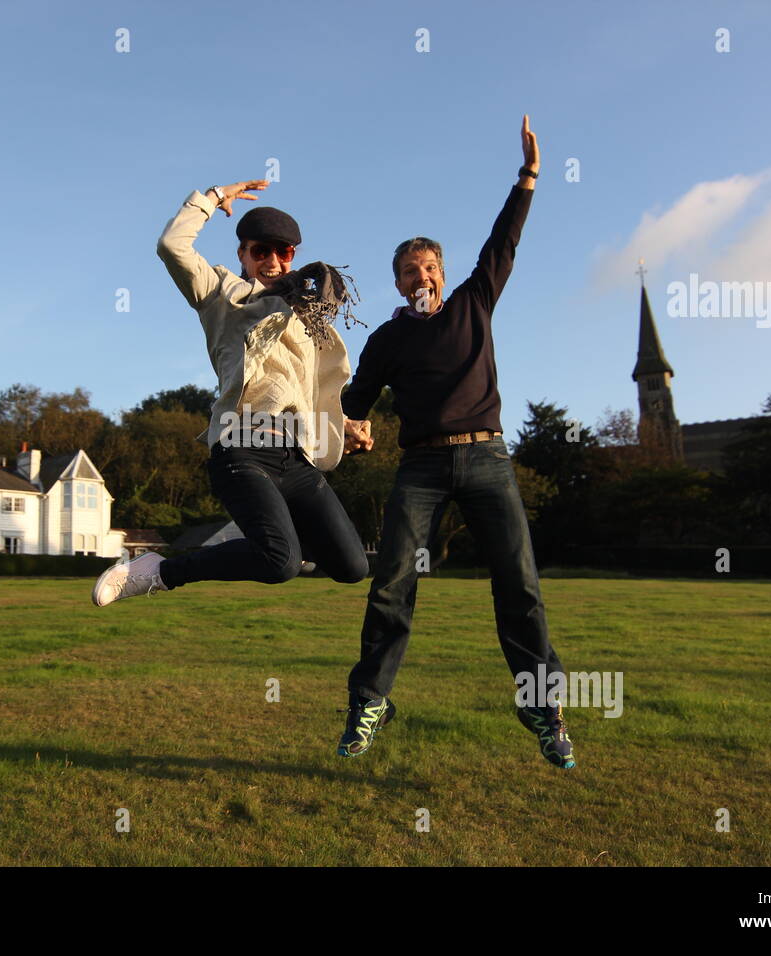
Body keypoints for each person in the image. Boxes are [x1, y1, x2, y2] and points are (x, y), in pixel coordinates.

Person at [335, 116, 576, 769]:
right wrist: (352, 427)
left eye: (430, 265)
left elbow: (505, 241)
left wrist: (527, 176)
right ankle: (369, 704)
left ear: (442, 273)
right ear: (398, 283)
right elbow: (354, 400)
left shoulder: (476, 301)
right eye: (411, 269)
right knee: (390, 583)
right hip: (421, 466)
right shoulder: (386, 341)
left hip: (489, 456)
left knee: (519, 585)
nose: (423, 276)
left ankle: (541, 708)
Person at [92, 179, 369, 606]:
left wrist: (344, 425)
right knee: (279, 563)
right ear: (243, 253)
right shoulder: (221, 293)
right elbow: (172, 246)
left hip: (296, 456)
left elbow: (305, 390)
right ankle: (158, 571)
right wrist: (212, 199)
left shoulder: (306, 317)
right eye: (261, 251)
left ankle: (291, 543)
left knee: (352, 566)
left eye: (284, 252)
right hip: (242, 448)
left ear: (294, 256)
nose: (273, 261)